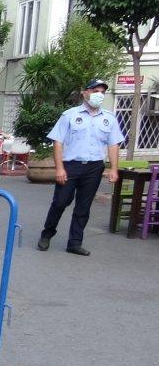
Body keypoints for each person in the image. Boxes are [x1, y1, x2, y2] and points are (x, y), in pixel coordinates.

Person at [37, 79, 123, 256]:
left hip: (94, 167)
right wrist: (59, 168)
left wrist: (114, 168)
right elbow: (58, 142)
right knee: (60, 202)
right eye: (95, 90)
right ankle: (47, 234)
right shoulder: (69, 115)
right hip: (71, 166)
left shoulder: (109, 118)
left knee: (83, 207)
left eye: (102, 92)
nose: (99, 95)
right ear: (85, 92)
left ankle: (75, 242)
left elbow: (113, 144)